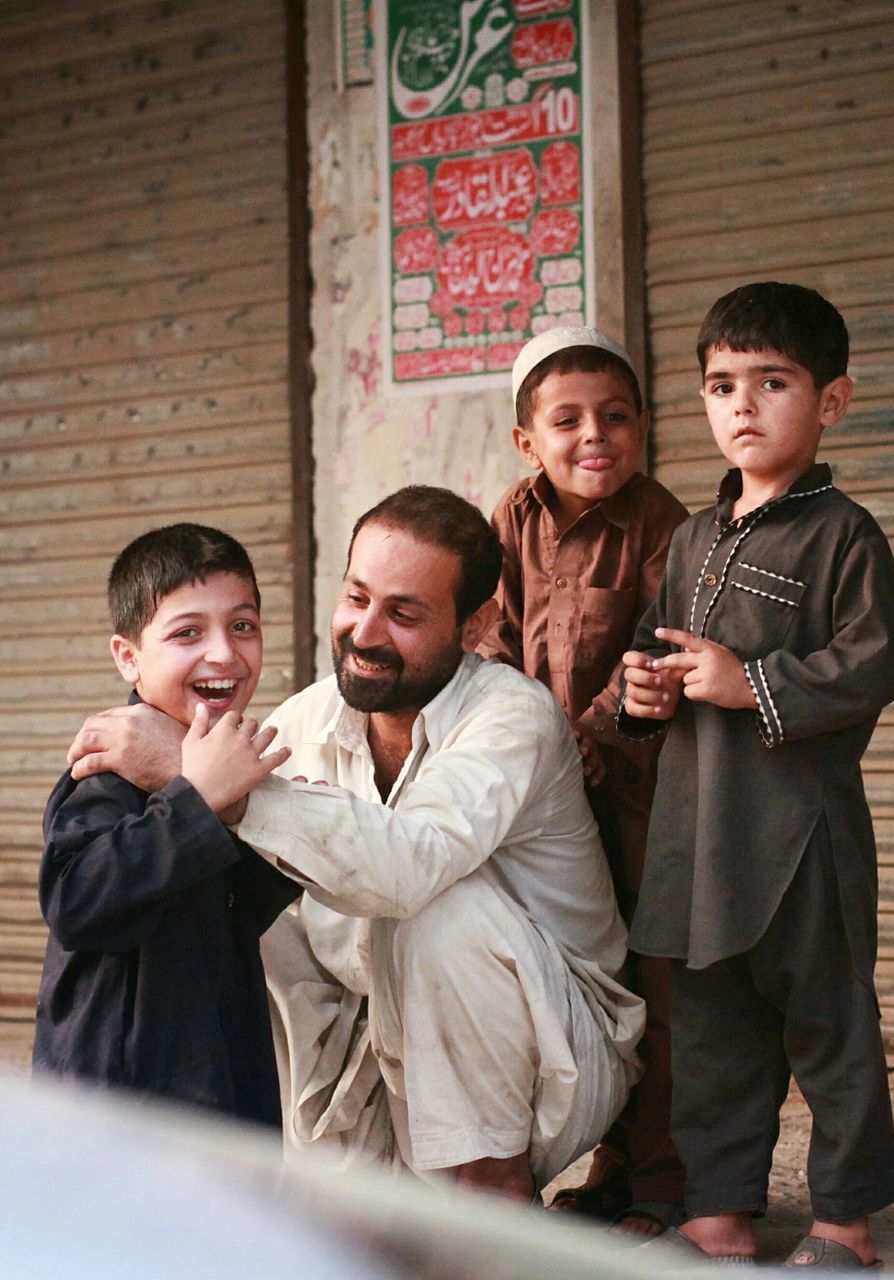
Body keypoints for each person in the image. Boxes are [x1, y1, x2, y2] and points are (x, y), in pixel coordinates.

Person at [66, 486, 645, 1204]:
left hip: (549, 1054)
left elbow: (406, 868)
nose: (365, 633)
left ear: (475, 626)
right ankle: (341, 1183)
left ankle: (493, 1193)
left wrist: (206, 778)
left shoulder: (512, 717)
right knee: (251, 892)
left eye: (404, 614)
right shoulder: (305, 719)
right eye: (357, 598)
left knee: (439, 911)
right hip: (367, 1057)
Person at [619, 282, 894, 1268]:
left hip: (799, 834)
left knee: (828, 1027)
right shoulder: (690, 540)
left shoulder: (841, 535)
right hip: (697, 834)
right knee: (709, 1031)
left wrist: (752, 682)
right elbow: (650, 654)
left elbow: (875, 663)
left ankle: (844, 1218)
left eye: (769, 382)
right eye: (718, 385)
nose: (740, 406)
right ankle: (718, 1209)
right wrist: (644, 692)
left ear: (829, 400)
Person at [478, 326, 689, 1231]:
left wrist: (583, 741)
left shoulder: (665, 526)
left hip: (638, 792)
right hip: (540, 801)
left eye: (614, 417)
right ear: (528, 441)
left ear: (643, 426)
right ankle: (575, 1164)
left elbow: (655, 646)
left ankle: (657, 1182)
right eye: (566, 421)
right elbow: (487, 632)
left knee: (654, 983)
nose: (592, 436)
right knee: (557, 975)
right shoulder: (511, 520)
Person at [33, 524, 298, 1124]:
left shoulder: (229, 760)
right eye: (187, 633)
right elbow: (75, 900)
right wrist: (196, 802)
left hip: (219, 1083)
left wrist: (258, 820)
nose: (225, 654)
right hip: (124, 1112)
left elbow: (237, 910)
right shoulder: (108, 771)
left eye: (243, 626)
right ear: (129, 658)